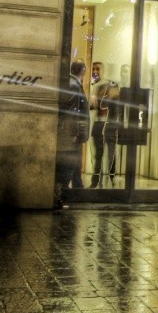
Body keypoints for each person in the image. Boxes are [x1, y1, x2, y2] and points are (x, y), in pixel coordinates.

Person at [57, 61, 89, 206]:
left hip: (73, 131)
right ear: (83, 71)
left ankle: (78, 189)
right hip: (72, 132)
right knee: (69, 164)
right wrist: (75, 132)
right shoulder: (74, 85)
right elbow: (72, 111)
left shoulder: (72, 83)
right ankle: (61, 194)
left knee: (75, 163)